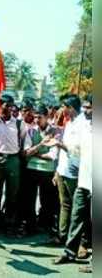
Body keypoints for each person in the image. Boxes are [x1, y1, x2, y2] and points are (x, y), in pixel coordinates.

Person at [52, 95, 92, 273]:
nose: (86, 111)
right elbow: (76, 150)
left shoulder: (85, 124)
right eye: (85, 107)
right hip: (83, 180)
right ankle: (69, 252)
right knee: (76, 216)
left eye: (89, 107)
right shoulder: (85, 126)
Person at [0, 94, 27, 236]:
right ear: (0, 106)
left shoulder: (19, 123)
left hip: (13, 160)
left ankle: (9, 225)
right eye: (5, 106)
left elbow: (25, 142)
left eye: (10, 106)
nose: (8, 109)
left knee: (12, 194)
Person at [21, 105, 59, 236]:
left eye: (40, 117)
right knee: (29, 199)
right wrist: (42, 145)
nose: (37, 120)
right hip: (31, 169)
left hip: (47, 171)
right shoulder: (31, 131)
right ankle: (30, 226)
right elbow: (26, 152)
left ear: (47, 117)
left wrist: (35, 152)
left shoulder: (55, 131)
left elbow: (52, 156)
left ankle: (44, 225)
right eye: (35, 117)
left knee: (47, 200)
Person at [51, 95, 82, 245]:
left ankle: (79, 241)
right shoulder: (69, 123)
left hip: (75, 172)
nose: (62, 110)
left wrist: (58, 144)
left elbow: (78, 151)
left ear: (70, 107)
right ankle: (62, 236)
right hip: (63, 170)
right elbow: (64, 150)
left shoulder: (83, 125)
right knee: (64, 204)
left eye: (63, 107)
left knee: (77, 208)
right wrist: (57, 171)